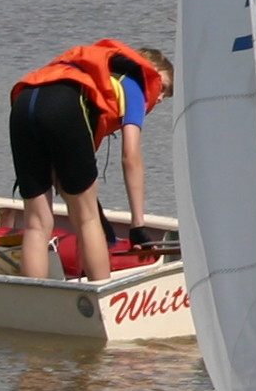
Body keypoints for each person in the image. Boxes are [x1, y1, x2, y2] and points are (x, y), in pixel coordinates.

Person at [9, 39, 174, 282]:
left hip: (24, 102)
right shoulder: (136, 82)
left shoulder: (91, 75)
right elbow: (131, 156)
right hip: (64, 106)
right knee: (87, 220)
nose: (159, 98)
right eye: (163, 87)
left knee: (36, 223)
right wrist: (138, 225)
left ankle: (32, 303)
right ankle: (101, 299)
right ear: (152, 71)